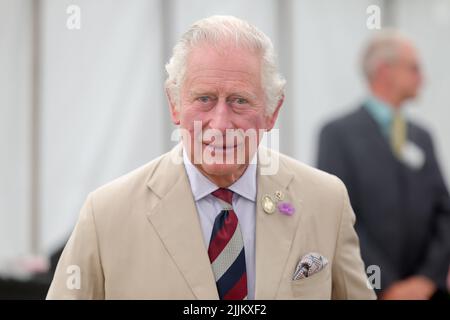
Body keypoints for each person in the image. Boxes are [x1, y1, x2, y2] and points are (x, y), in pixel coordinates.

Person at [47, 15, 375, 299]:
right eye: (204, 98)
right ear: (174, 104)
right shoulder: (106, 214)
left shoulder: (325, 201)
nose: (220, 123)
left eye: (239, 101)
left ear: (272, 112)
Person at [317, 30, 450, 299]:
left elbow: (444, 214)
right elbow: (336, 217)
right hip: (367, 291)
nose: (422, 78)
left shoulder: (422, 137)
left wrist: (426, 280)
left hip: (428, 293)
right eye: (414, 68)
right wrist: (385, 285)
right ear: (384, 71)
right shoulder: (338, 135)